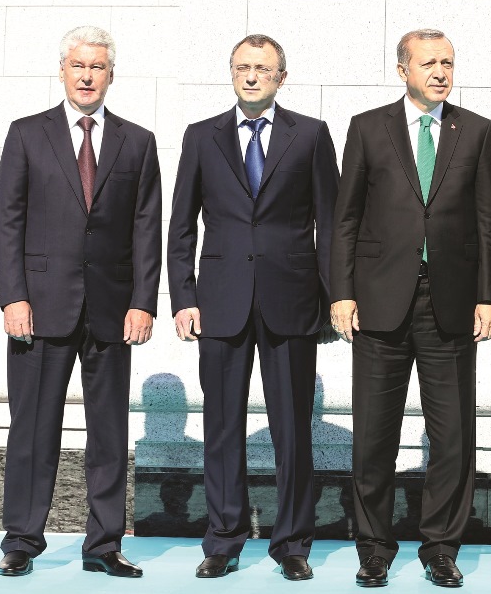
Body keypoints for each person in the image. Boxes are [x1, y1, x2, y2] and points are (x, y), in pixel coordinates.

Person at [330, 28, 491, 588]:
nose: (441, 72)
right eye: (429, 62)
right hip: (379, 302)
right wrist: (342, 291)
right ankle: (374, 547)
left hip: (449, 304)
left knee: (452, 435)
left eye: (448, 62)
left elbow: (488, 224)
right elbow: (346, 218)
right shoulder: (367, 127)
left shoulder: (475, 131)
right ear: (402, 68)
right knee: (373, 434)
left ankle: (441, 548)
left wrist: (488, 296)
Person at [167, 34, 340, 580]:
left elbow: (331, 225)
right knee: (221, 425)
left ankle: (292, 543)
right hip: (219, 302)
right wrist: (184, 298)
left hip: (291, 300)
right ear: (231, 73)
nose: (251, 77)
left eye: (262, 69)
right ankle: (222, 538)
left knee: (292, 427)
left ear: (281, 78)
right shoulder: (201, 137)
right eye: (242, 67)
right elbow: (181, 227)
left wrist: (336, 299)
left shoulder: (310, 135)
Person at [0, 26, 161, 578]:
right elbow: (7, 221)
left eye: (98, 67)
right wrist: (11, 296)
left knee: (109, 431)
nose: (87, 75)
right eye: (78, 66)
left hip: (113, 310)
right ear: (62, 70)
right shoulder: (25, 134)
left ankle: (104, 545)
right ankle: (21, 538)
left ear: (111, 74)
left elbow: (146, 228)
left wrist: (144, 301)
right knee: (32, 429)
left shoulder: (137, 141)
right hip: (39, 307)